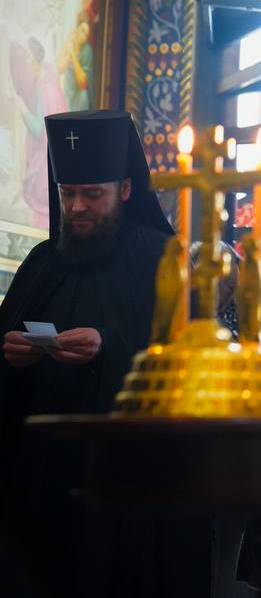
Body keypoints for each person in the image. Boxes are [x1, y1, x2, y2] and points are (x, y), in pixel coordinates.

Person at [0, 109, 181, 596]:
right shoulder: (43, 262)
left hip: (122, 482)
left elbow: (183, 371)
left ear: (125, 189)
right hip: (38, 480)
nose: (77, 207)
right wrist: (10, 353)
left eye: (92, 195)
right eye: (67, 194)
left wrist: (110, 350)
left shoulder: (161, 260)